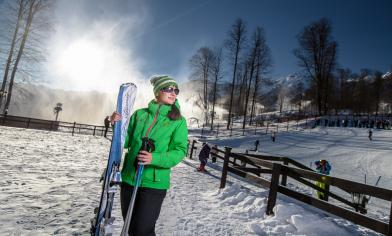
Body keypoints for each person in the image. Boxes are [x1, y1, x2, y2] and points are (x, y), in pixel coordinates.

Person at [111, 75, 188, 236]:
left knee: (142, 231)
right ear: (157, 92)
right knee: (131, 227)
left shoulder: (178, 121)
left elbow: (180, 150)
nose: (173, 93)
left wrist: (155, 158)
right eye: (169, 89)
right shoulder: (140, 115)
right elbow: (124, 141)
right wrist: (115, 125)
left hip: (154, 183)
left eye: (176, 90)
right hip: (129, 178)